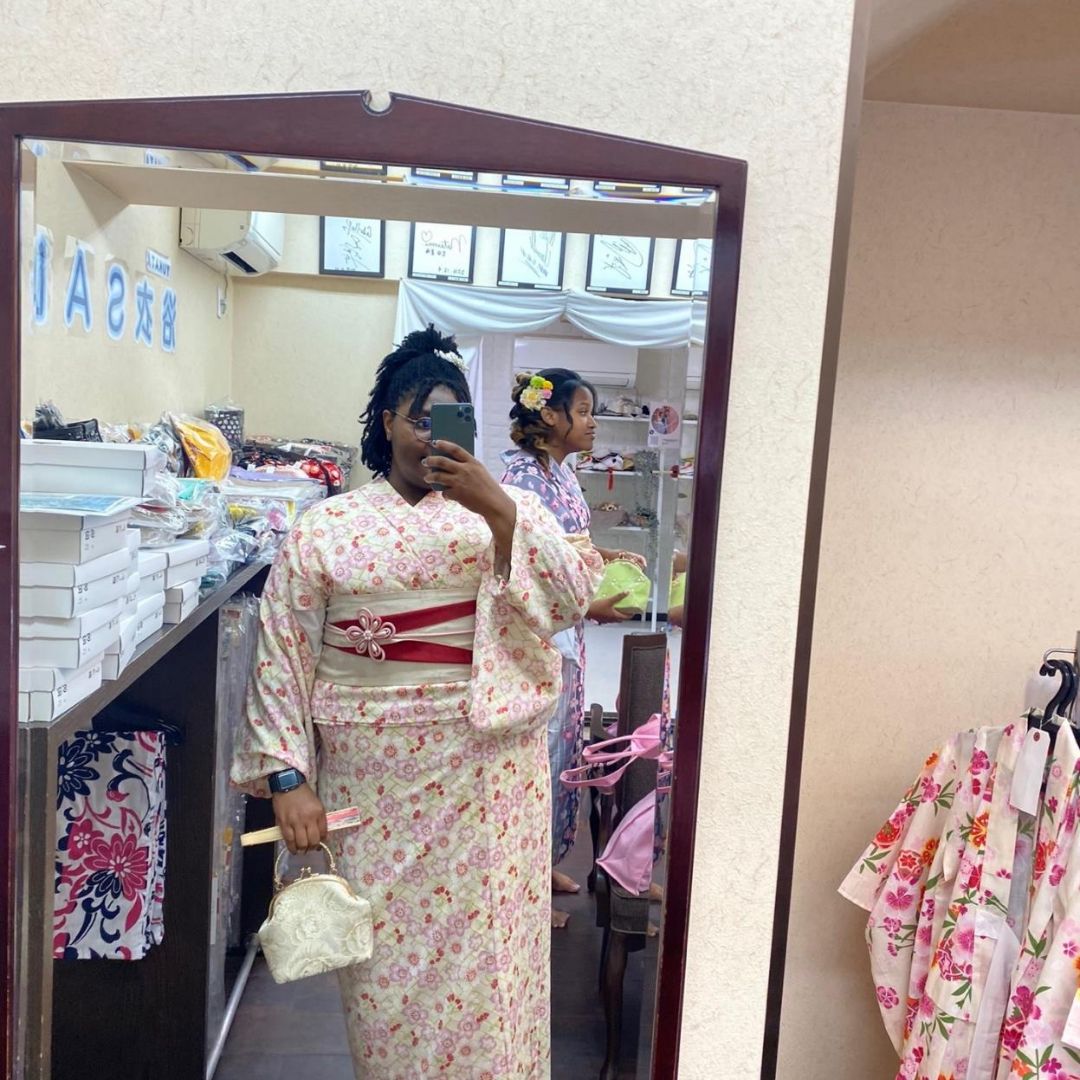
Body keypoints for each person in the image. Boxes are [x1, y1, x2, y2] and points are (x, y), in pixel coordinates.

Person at [232, 327, 603, 1079]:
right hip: (375, 787)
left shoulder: (498, 513)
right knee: (388, 992)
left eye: (455, 419)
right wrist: (286, 777)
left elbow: (571, 599)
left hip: (489, 781)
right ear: (387, 425)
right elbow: (282, 652)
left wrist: (500, 509)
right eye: (421, 419)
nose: (438, 435)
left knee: (498, 982)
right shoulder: (325, 529)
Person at [500, 368, 647, 928]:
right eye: (584, 412)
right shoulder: (520, 481)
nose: (592, 424)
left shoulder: (557, 473)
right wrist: (589, 606)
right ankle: (522, 896)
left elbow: (569, 547)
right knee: (536, 766)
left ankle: (539, 868)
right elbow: (524, 569)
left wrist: (609, 556)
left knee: (561, 757)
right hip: (538, 641)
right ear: (551, 416)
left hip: (565, 639)